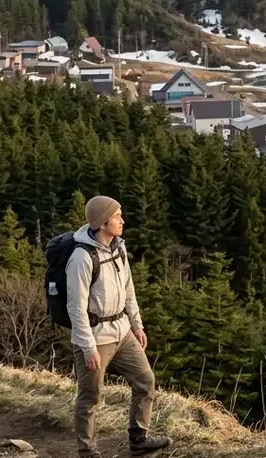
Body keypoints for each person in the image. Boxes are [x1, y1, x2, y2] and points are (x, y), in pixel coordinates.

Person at [67, 195, 171, 456]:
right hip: (96, 337)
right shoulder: (81, 257)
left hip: (122, 331)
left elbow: (128, 290)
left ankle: (138, 439)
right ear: (103, 223)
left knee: (145, 380)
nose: (122, 220)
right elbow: (76, 308)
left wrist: (137, 325)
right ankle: (87, 452)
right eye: (116, 216)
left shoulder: (118, 247)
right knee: (90, 396)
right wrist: (88, 347)